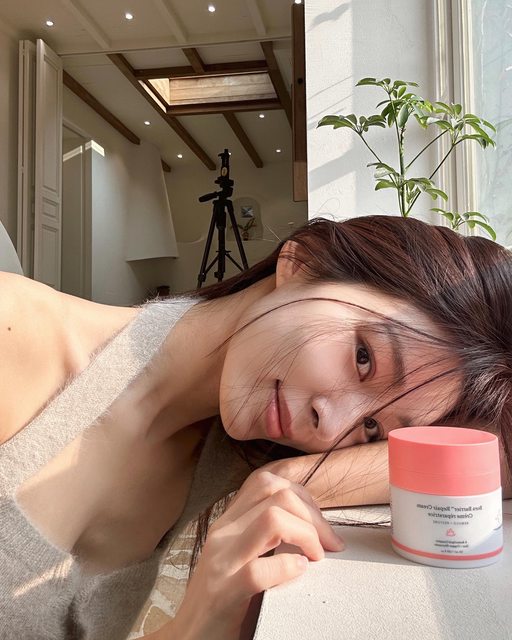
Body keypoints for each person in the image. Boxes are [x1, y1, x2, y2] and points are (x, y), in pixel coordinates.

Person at [0, 215, 510, 640]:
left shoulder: (228, 460)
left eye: (372, 428)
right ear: (302, 262)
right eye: (363, 357)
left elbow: (500, 453)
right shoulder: (16, 333)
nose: (330, 427)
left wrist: (289, 476)